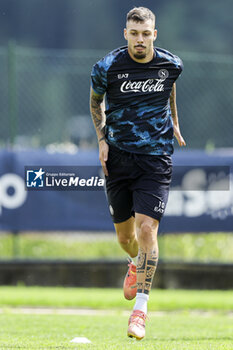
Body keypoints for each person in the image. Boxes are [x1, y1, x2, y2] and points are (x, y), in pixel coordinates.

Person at [90, 6, 186, 340]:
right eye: (134, 34)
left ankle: (140, 312)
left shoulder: (171, 64)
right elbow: (94, 103)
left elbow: (169, 87)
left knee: (148, 231)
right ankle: (134, 264)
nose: (140, 40)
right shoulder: (107, 67)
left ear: (154, 34)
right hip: (118, 159)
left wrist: (174, 121)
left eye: (146, 33)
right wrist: (102, 139)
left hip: (156, 159)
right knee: (126, 238)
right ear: (126, 34)